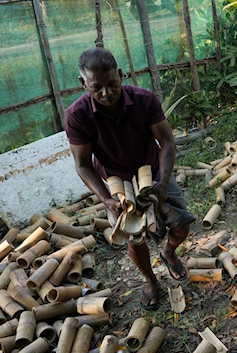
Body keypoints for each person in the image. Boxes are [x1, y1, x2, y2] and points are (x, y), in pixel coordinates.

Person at [64, 48, 195, 310]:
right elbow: (82, 164)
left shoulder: (144, 101)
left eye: (112, 84)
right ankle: (150, 281)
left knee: (181, 225)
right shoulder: (77, 115)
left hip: (153, 172)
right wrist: (106, 198)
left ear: (121, 75)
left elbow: (167, 142)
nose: (106, 93)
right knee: (135, 237)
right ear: (83, 84)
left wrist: (161, 184)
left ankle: (169, 252)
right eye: (96, 87)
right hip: (116, 185)